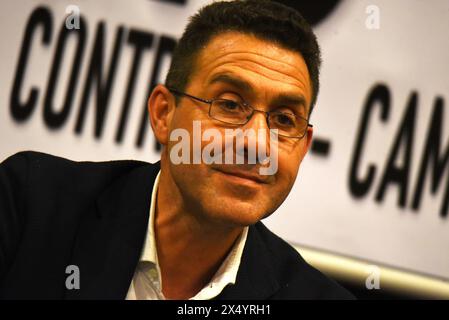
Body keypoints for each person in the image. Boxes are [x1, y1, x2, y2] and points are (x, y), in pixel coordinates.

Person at [0, 0, 354, 299]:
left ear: (303, 146)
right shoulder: (30, 205)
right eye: (230, 105)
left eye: (283, 119)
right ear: (163, 114)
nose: (257, 144)